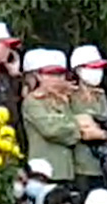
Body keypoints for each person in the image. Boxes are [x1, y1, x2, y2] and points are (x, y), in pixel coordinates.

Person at [21, 49, 93, 191]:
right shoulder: (33, 101)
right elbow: (51, 130)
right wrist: (79, 127)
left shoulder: (63, 100)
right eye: (51, 74)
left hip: (67, 170)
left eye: (60, 74)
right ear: (38, 75)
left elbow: (88, 118)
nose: (57, 78)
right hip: (44, 170)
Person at [68, 45, 107, 195]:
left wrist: (102, 132)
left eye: (100, 67)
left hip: (102, 164)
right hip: (80, 164)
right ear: (78, 70)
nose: (98, 72)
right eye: (93, 67)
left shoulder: (100, 96)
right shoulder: (70, 95)